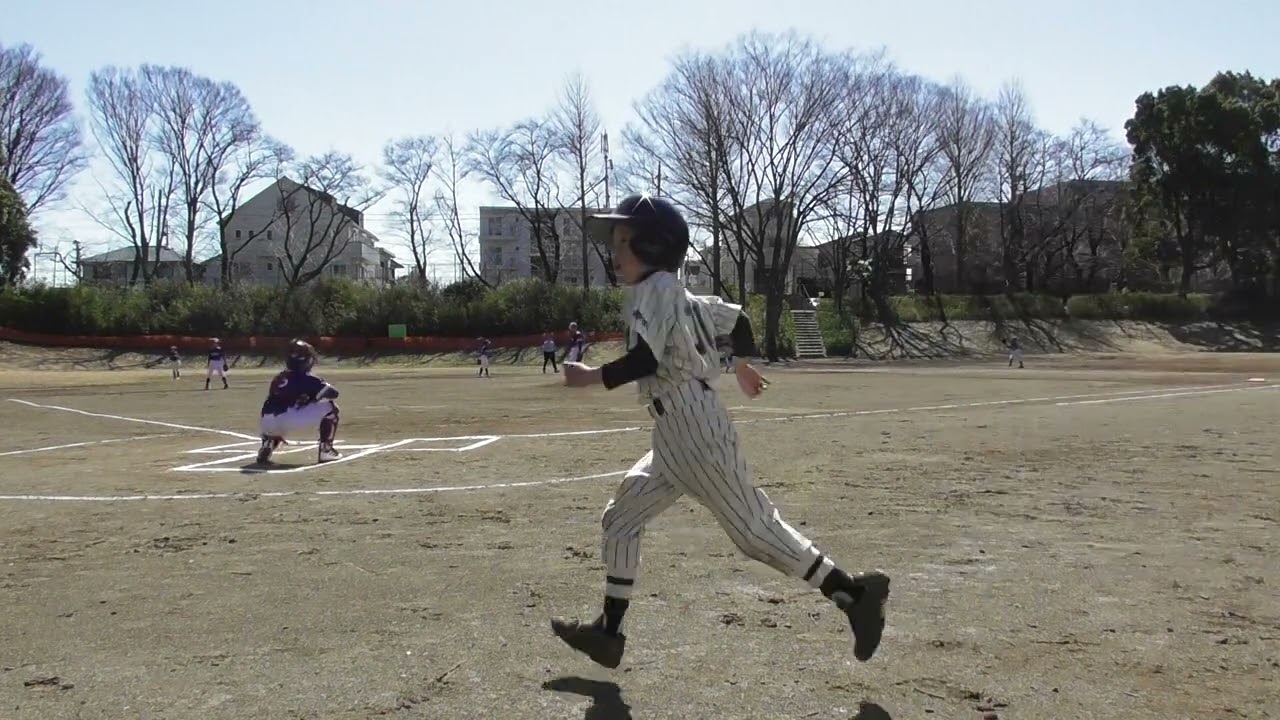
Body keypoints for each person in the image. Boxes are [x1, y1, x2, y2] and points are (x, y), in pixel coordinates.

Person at [551, 194, 890, 669]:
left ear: (653, 245)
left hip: (692, 427)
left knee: (755, 532)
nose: (616, 251)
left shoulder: (656, 290)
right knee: (621, 520)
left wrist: (588, 377)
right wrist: (743, 365)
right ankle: (609, 633)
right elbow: (741, 319)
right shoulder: (681, 295)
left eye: (624, 241)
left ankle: (854, 594)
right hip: (674, 434)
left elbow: (645, 360)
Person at [256, 339, 341, 465]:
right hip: (288, 419)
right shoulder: (307, 378)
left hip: (267, 423)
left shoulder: (279, 378)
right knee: (331, 408)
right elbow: (333, 393)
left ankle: (268, 442)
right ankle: (326, 450)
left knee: (276, 415)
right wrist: (313, 398)